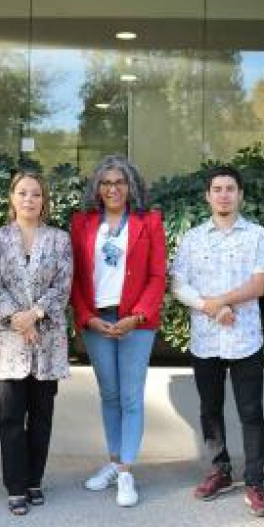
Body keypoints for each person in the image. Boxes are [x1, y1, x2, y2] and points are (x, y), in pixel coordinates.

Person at [171, 165, 264, 518]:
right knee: (210, 408)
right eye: (217, 189)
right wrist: (210, 308)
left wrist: (221, 301)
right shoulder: (192, 238)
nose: (223, 195)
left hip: (245, 338)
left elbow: (259, 285)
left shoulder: (258, 235)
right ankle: (220, 470)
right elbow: (178, 285)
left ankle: (255, 482)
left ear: (240, 195)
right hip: (206, 339)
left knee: (251, 412)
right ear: (208, 196)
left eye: (230, 188)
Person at [70, 154, 166, 508]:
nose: (113, 189)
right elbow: (74, 276)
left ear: (131, 186)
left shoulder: (149, 221)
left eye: (120, 182)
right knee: (109, 394)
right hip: (97, 321)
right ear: (97, 187)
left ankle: (126, 471)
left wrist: (137, 317)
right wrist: (87, 317)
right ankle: (113, 461)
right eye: (106, 183)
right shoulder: (81, 222)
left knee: (131, 396)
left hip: (135, 322)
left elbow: (157, 275)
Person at [0, 170, 72, 516]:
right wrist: (17, 319)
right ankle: (16, 486)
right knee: (11, 416)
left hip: (47, 339)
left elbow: (63, 285)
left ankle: (35, 481)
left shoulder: (59, 239)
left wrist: (34, 314)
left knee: (42, 416)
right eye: (22, 193)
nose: (29, 199)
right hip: (6, 340)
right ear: (12, 198)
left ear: (44, 200)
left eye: (35, 194)